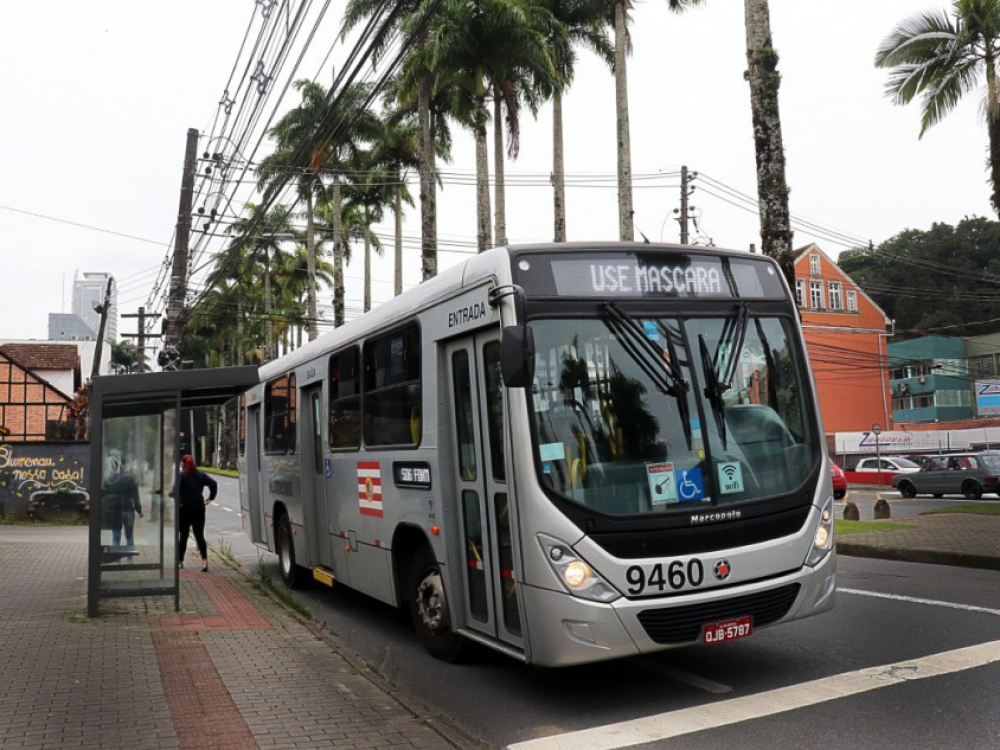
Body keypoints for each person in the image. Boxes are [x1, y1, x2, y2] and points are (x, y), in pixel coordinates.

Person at [173, 454, 217, 572]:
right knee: (199, 535)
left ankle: (180, 561)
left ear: (183, 464)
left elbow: (174, 490)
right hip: (198, 508)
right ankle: (204, 562)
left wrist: (178, 501)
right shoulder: (201, 475)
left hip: (184, 509)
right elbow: (213, 484)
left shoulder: (181, 476)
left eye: (181, 463)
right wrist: (210, 498)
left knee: (183, 536)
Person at [101, 454, 141, 548]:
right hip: (127, 508)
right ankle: (130, 555)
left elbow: (104, 494)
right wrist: (139, 510)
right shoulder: (130, 478)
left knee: (116, 535)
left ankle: (116, 556)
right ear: (124, 464)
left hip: (114, 510)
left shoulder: (108, 479)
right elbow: (135, 496)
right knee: (129, 535)